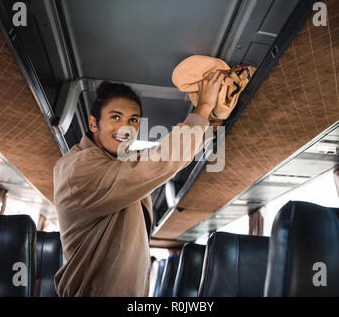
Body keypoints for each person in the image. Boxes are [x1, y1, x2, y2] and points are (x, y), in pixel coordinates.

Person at [53, 71, 226, 296]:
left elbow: (155, 157)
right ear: (93, 124)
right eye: (116, 117)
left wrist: (212, 121)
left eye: (133, 120)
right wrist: (203, 106)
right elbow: (161, 161)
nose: (126, 128)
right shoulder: (79, 168)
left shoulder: (115, 162)